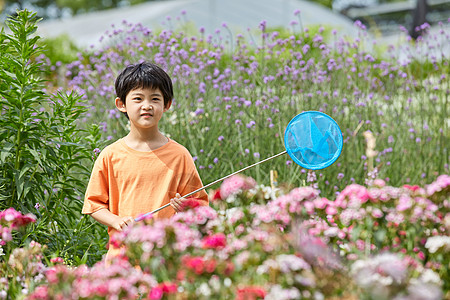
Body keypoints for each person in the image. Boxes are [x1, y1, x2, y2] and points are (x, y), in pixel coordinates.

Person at [82, 62, 209, 261]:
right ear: (121, 104)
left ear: (167, 104)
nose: (147, 105)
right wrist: (116, 221)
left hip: (167, 258)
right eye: (138, 99)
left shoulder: (180, 155)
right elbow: (94, 205)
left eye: (155, 99)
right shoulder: (110, 155)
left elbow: (200, 204)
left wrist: (186, 208)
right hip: (122, 258)